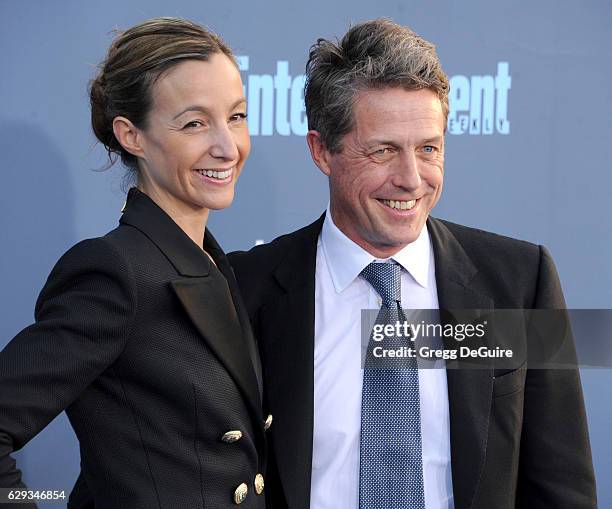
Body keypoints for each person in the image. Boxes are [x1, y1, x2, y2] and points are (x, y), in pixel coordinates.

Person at [228, 19, 597, 509]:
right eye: (382, 151)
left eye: (428, 149)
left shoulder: (520, 281)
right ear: (321, 151)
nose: (411, 178)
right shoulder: (244, 289)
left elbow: (562, 488)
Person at [0, 17, 268, 508]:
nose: (227, 146)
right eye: (194, 123)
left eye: (236, 116)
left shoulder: (213, 262)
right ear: (132, 135)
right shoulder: (113, 272)